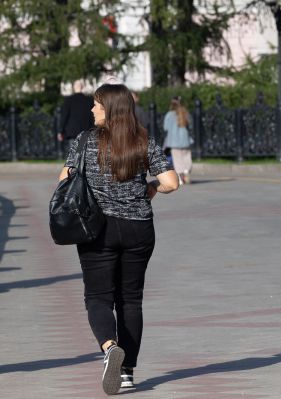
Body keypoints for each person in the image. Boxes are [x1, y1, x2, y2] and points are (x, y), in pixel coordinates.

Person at [58, 83, 179, 395]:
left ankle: (110, 347)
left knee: (98, 297)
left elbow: (64, 179)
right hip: (139, 228)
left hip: (98, 229)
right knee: (130, 299)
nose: (92, 109)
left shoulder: (85, 140)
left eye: (97, 105)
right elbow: (171, 182)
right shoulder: (142, 139)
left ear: (109, 108)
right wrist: (150, 188)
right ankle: (127, 373)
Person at [57, 80, 94, 154]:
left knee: (73, 155)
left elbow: (64, 116)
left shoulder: (68, 100)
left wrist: (60, 131)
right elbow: (92, 118)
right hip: (84, 132)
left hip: (72, 132)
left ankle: (75, 165)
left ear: (74, 87)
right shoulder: (89, 100)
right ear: (82, 87)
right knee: (81, 153)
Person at [163, 96, 193, 184]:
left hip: (174, 142)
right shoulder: (185, 113)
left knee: (177, 160)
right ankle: (187, 170)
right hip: (185, 140)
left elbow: (165, 128)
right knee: (187, 157)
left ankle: (180, 178)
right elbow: (191, 125)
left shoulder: (169, 115)